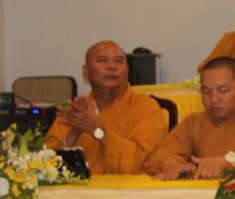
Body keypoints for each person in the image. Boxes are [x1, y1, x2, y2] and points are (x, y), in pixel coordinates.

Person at [46, 40, 167, 174]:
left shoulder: (146, 107)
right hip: (82, 186)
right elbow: (47, 166)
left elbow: (138, 163)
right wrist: (74, 133)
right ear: (85, 72)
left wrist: (96, 130)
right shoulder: (76, 111)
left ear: (127, 71)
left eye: (118, 61)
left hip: (129, 186)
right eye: (102, 60)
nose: (111, 67)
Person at [144, 57, 235, 180]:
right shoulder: (193, 122)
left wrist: (228, 165)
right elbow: (159, 156)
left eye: (223, 90)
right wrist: (171, 164)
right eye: (206, 92)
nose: (214, 99)